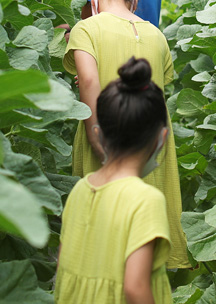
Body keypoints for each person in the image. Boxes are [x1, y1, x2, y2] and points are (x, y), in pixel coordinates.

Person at [63, 0, 188, 269]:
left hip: (107, 143)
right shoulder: (156, 35)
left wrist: (97, 140)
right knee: (144, 241)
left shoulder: (86, 29)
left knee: (101, 248)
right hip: (149, 146)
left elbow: (89, 83)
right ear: (136, 0)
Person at [55, 57, 173, 303]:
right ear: (160, 138)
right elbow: (135, 288)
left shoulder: (80, 189)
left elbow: (62, 267)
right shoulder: (146, 200)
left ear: (99, 134)